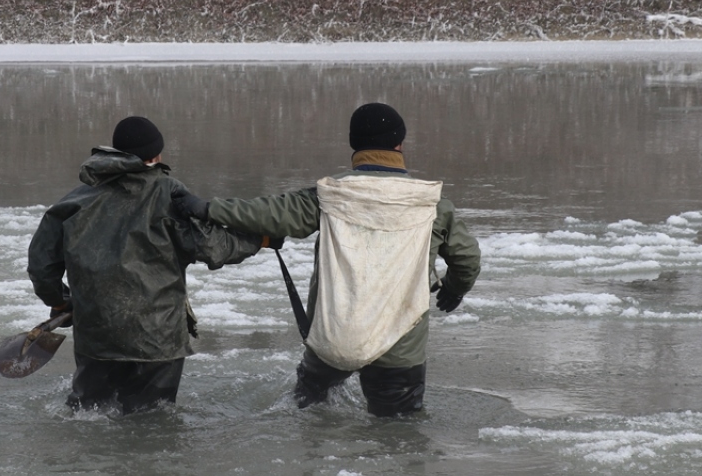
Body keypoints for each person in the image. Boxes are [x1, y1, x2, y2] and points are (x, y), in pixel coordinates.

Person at [173, 102, 480, 417]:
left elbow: (269, 213)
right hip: (401, 347)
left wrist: (209, 208)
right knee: (400, 432)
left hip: (336, 335)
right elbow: (467, 258)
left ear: (353, 144)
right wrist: (454, 288)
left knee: (310, 411)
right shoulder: (432, 205)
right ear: (399, 145)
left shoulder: (330, 197)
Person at [27, 115, 271, 415]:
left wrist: (59, 302)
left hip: (96, 337)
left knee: (88, 414)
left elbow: (41, 266)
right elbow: (212, 247)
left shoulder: (74, 201)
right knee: (151, 422)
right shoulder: (168, 193)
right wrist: (259, 240)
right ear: (156, 156)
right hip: (158, 341)